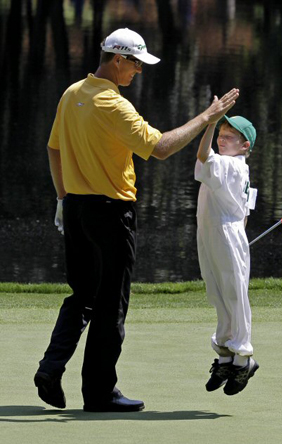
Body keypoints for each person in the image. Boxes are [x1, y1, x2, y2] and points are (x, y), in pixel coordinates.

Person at [34, 27, 240, 413]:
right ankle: (98, 394)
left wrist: (62, 198)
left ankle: (50, 367)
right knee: (111, 305)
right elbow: (159, 148)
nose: (139, 72)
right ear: (117, 59)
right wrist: (207, 117)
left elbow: (53, 149)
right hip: (110, 213)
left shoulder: (73, 92)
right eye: (135, 64)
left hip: (77, 210)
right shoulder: (114, 104)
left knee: (82, 296)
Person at [194, 113, 259, 396]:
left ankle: (243, 359)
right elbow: (246, 211)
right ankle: (224, 355)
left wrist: (208, 122)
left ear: (245, 146)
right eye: (220, 132)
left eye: (229, 136)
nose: (222, 138)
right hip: (213, 233)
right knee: (217, 293)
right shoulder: (231, 166)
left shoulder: (230, 165)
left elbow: (202, 154)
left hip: (224, 233)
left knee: (234, 296)